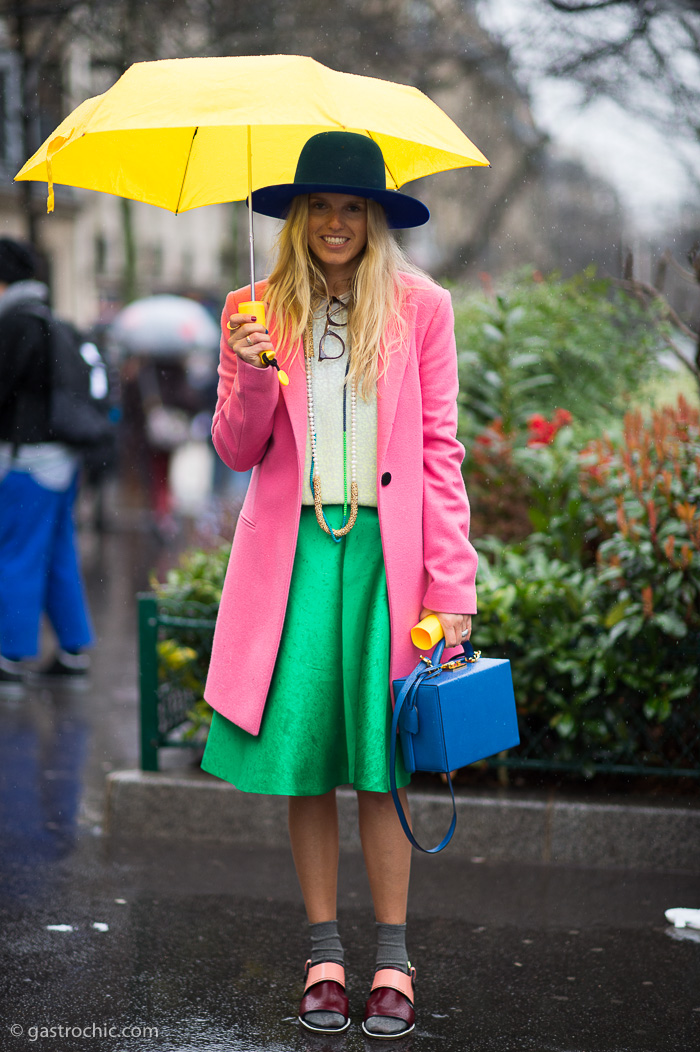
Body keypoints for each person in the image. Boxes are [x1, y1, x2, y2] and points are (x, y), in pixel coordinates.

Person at [201, 132, 478, 1038]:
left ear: (375, 219)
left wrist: (452, 589)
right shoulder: (251, 308)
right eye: (319, 206)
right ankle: (324, 954)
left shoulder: (420, 309)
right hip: (292, 560)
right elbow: (238, 450)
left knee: (383, 762)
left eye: (351, 207)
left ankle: (392, 958)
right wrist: (245, 368)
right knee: (308, 760)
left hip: (387, 563)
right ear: (296, 216)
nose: (333, 222)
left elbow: (440, 452)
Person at [0, 238, 94, 695]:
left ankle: (10, 659)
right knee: (57, 554)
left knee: (15, 554)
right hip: (63, 458)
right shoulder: (49, 317)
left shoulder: (14, 321)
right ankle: (73, 652)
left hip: (28, 461)